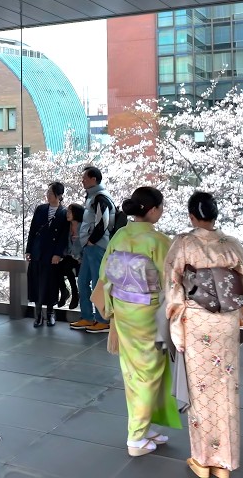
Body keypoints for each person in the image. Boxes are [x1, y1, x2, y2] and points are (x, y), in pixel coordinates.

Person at [165, 192, 243, 478]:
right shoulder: (232, 244)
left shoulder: (183, 243)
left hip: (197, 320)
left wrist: (176, 321)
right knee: (226, 386)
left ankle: (203, 460)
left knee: (200, 389)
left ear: (192, 216)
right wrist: (237, 311)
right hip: (226, 321)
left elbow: (172, 283)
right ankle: (224, 462)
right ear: (215, 215)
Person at [97, 186, 184, 457]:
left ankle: (145, 427)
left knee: (134, 371)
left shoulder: (121, 235)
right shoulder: (158, 241)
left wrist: (113, 303)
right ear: (154, 210)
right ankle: (135, 437)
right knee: (148, 372)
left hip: (124, 310)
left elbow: (104, 273)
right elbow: (172, 281)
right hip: (149, 313)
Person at [72, 166, 116, 333]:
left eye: (85, 177)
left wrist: (92, 240)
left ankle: (102, 320)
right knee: (83, 281)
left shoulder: (100, 197)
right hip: (90, 246)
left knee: (98, 283)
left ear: (94, 179)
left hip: (98, 246)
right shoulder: (92, 197)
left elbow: (103, 221)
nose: (82, 180)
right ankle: (87, 317)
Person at [25, 182, 69, 327]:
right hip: (38, 252)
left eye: (51, 193)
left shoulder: (64, 212)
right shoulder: (41, 209)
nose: (48, 195)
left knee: (51, 284)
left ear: (59, 195)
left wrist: (58, 254)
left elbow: (64, 236)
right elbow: (33, 230)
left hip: (52, 255)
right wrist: (29, 250)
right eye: (48, 192)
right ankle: (38, 315)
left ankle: (50, 313)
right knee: (36, 283)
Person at [57, 203, 84, 310]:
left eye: (70, 212)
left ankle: (75, 294)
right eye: (67, 211)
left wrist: (79, 257)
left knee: (67, 267)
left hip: (81, 257)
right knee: (57, 266)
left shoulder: (83, 227)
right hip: (69, 255)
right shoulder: (67, 226)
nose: (67, 214)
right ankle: (64, 291)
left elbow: (85, 245)